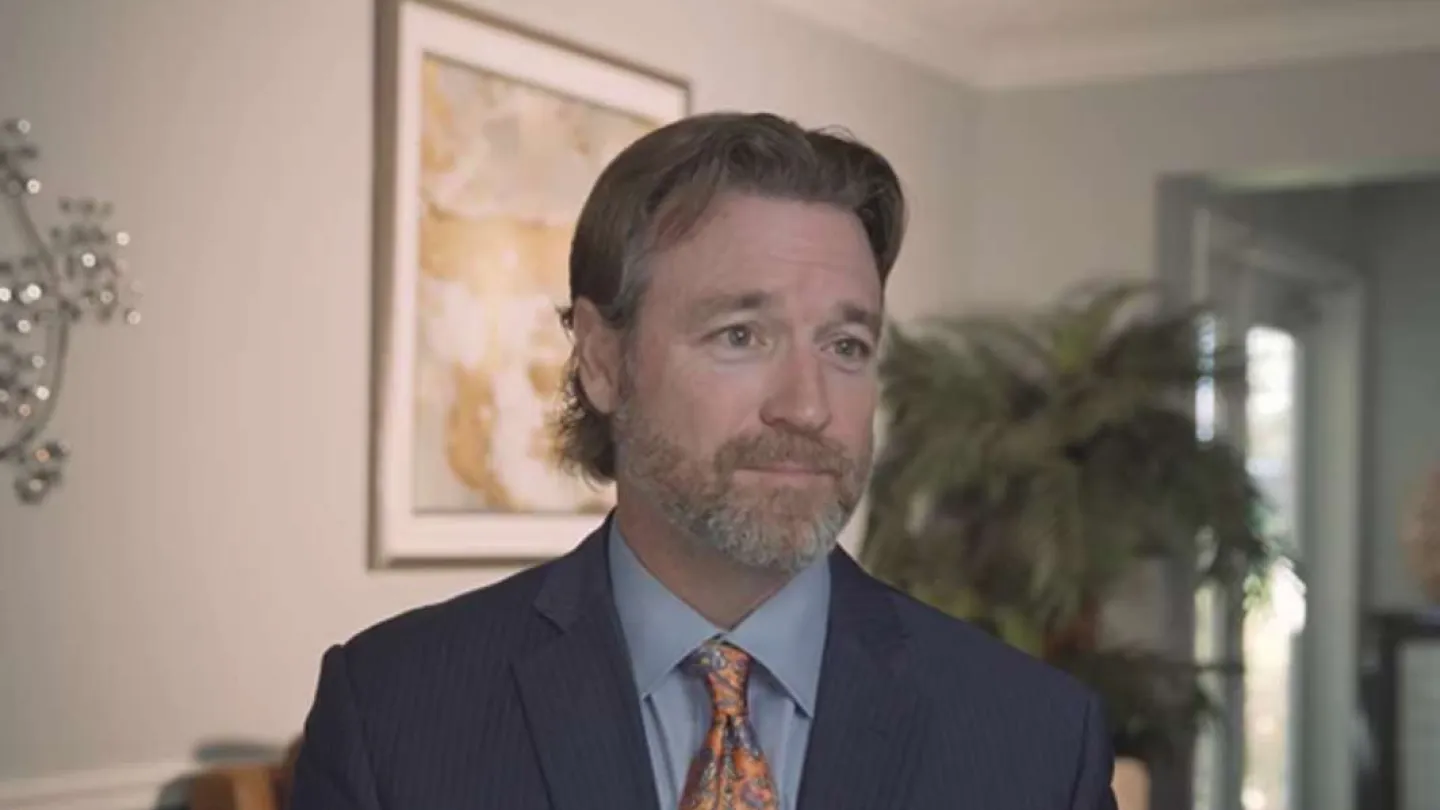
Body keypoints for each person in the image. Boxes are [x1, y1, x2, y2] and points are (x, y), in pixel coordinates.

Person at [290, 111, 1118, 810]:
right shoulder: (393, 711)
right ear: (604, 361)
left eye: (846, 343)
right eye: (740, 336)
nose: (807, 404)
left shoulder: (1037, 742)